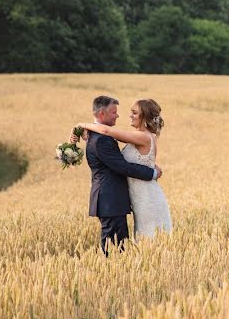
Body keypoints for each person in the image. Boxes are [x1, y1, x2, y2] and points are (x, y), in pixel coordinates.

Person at [73, 97, 172, 243]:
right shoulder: (135, 137)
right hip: (135, 198)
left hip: (146, 198)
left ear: (144, 117)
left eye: (135, 113)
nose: (129, 115)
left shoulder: (142, 137)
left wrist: (82, 125)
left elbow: (106, 131)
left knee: (149, 240)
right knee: (140, 242)